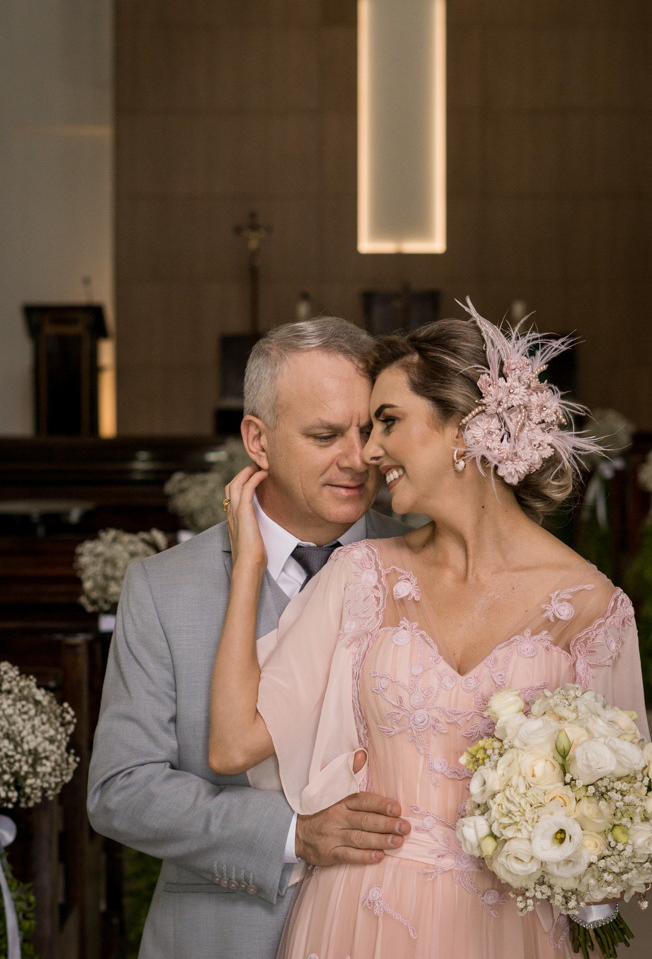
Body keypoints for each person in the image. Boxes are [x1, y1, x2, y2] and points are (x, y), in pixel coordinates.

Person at [210, 302, 650, 958]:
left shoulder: (591, 608)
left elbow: (619, 833)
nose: (370, 451)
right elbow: (232, 745)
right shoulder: (362, 577)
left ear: (466, 429)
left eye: (388, 422)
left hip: (508, 930)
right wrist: (247, 566)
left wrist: (574, 854)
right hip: (358, 918)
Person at [87, 317, 412, 959]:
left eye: (368, 430)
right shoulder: (164, 587)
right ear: (257, 441)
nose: (357, 458)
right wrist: (290, 833)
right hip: (225, 934)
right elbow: (120, 790)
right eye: (324, 435)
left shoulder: (429, 558)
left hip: (399, 926)